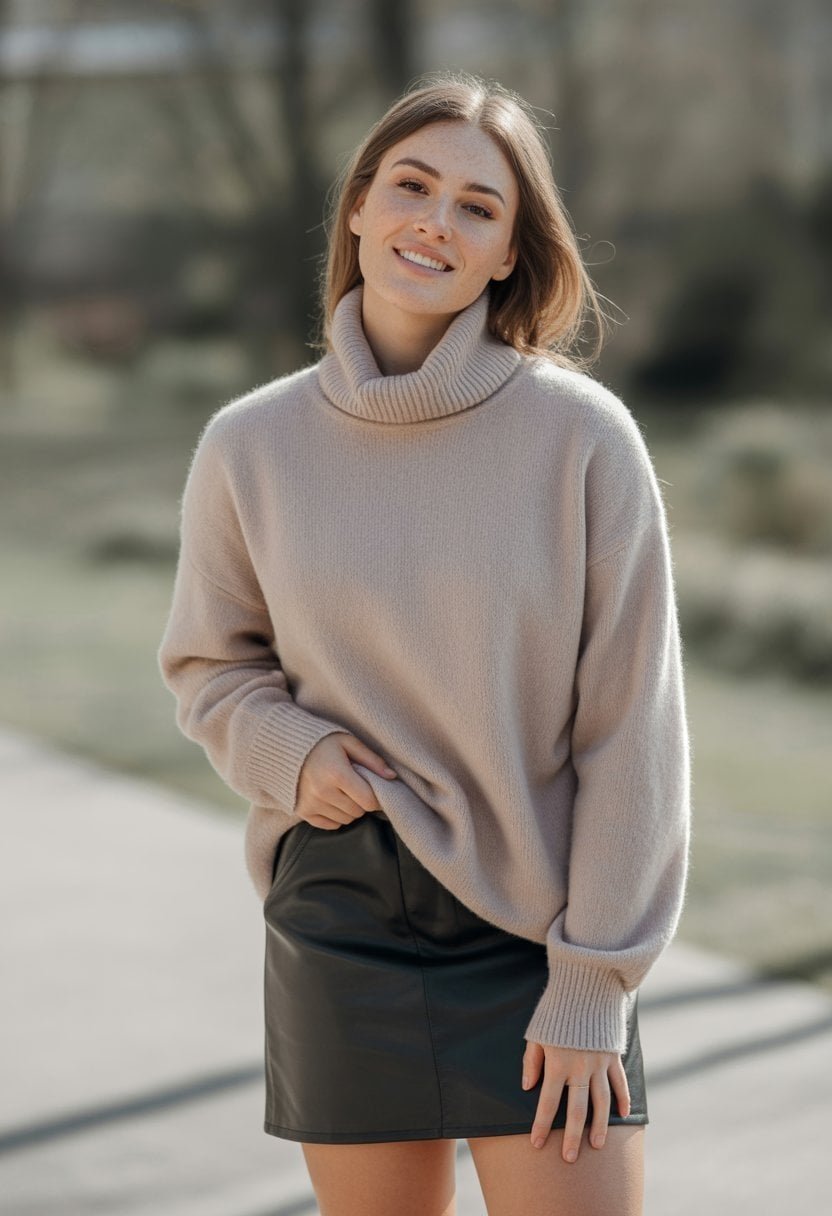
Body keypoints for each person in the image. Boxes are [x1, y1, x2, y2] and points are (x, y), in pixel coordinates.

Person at [158, 70, 690, 1216]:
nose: (433, 223)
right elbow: (211, 664)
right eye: (411, 185)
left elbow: (631, 732)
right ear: (358, 208)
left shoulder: (581, 441)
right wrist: (294, 754)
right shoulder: (250, 444)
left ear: (508, 252)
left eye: (476, 206)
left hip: (538, 932)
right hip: (341, 913)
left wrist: (592, 985)